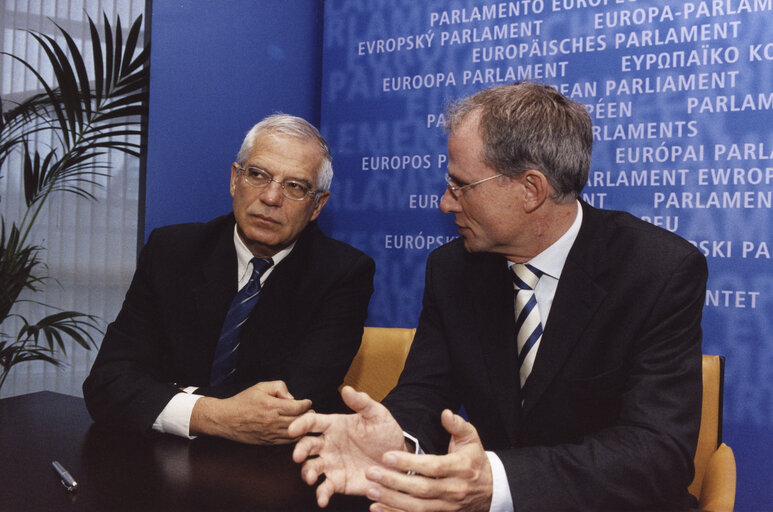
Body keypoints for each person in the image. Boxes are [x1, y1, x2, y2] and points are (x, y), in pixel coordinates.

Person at [289, 83, 707, 511]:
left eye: (461, 185)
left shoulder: (657, 271)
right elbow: (426, 392)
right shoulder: (453, 270)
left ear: (531, 189)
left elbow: (658, 455)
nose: (444, 203)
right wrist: (398, 440)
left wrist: (499, 482)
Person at [83, 114, 375, 445]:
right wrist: (209, 414)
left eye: (295, 186)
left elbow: (290, 406)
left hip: (273, 475)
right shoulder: (172, 251)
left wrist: (172, 395)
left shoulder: (342, 273)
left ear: (317, 206)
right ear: (235, 179)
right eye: (258, 175)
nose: (271, 198)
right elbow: (106, 382)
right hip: (162, 463)